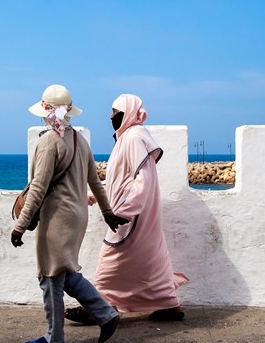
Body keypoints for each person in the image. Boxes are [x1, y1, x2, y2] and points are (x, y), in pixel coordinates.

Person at [11, 84, 129, 343]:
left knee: (50, 276)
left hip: (57, 219)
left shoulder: (48, 142)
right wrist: (107, 213)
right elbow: (96, 183)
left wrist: (20, 226)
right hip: (78, 217)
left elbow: (38, 188)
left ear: (45, 112)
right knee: (66, 272)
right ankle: (106, 314)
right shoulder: (79, 141)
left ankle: (54, 338)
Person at [65, 94, 187, 325]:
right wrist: (93, 196)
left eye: (115, 111)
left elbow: (143, 180)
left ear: (128, 112)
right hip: (134, 215)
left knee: (109, 262)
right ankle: (170, 305)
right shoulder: (128, 138)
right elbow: (119, 180)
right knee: (152, 261)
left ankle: (100, 308)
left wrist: (124, 212)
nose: (111, 116)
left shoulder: (134, 137)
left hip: (129, 217)